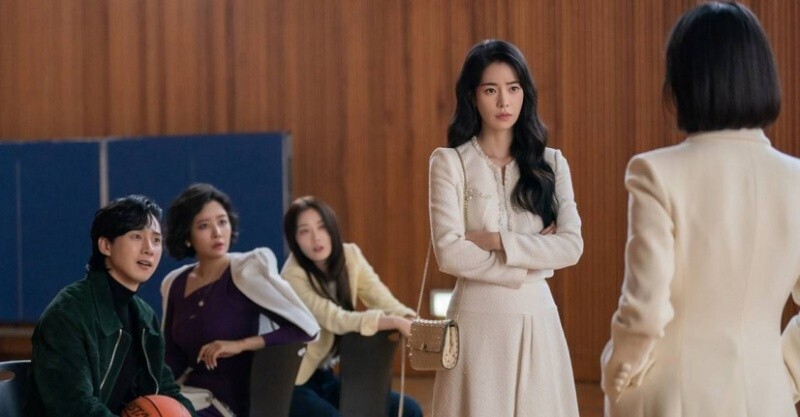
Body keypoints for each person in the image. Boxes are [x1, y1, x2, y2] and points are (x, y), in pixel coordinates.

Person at [600, 2, 800, 416]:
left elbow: (645, 310)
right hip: (768, 397)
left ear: (682, 82)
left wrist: (617, 373)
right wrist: (787, 373)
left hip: (673, 394)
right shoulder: (796, 178)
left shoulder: (656, 172)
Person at [428, 39, 583, 416]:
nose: (504, 101)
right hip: (475, 323)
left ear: (525, 93)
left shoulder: (552, 163)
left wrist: (496, 240)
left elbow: (571, 246)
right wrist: (533, 264)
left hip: (537, 320)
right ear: (472, 96)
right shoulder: (449, 163)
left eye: (513, 88)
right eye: (490, 90)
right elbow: (449, 254)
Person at [24, 195, 197, 417]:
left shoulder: (144, 315)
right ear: (106, 245)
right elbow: (74, 406)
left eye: (156, 240)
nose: (149, 249)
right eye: (136, 236)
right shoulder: (68, 313)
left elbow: (166, 389)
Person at [161, 183, 319, 417]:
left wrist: (240, 345)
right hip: (190, 395)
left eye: (222, 221)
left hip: (233, 404)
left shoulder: (246, 271)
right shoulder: (175, 282)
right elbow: (172, 358)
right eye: (204, 226)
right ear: (187, 235)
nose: (217, 232)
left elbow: (306, 330)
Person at [281, 196, 423, 417]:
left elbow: (383, 300)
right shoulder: (292, 275)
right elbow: (336, 319)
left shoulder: (351, 256)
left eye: (322, 227)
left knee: (409, 410)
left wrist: (411, 320)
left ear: (332, 227)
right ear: (294, 240)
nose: (316, 237)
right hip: (294, 381)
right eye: (304, 231)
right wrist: (393, 322)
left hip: (326, 375)